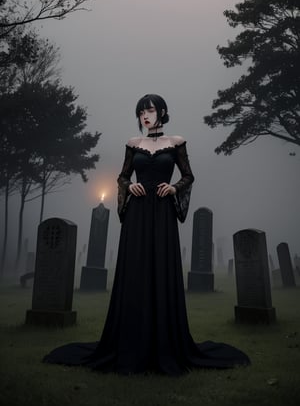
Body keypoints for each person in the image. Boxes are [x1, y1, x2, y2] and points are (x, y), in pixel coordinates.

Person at [43, 94, 250, 375]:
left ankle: (165, 342)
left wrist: (175, 188)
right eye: (141, 111)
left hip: (163, 214)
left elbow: (189, 175)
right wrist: (128, 187)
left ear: (162, 112)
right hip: (138, 215)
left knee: (161, 268)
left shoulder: (176, 142)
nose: (144, 115)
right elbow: (122, 176)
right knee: (136, 270)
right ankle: (130, 341)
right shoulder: (133, 144)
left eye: (149, 110)